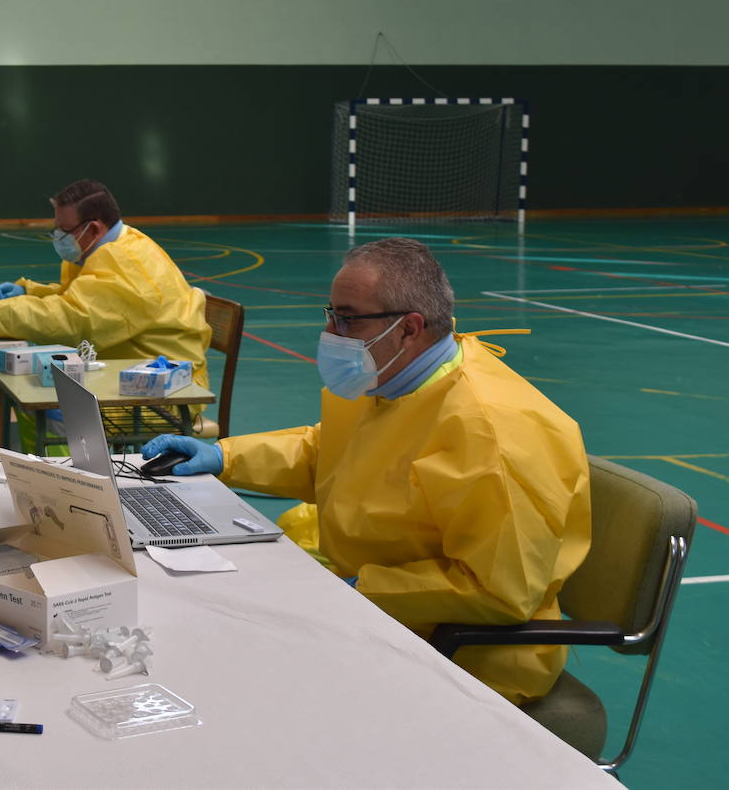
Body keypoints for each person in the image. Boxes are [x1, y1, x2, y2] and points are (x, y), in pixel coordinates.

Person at [142, 238, 592, 706]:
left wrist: (356, 590)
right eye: (331, 313)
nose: (332, 331)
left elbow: (497, 590)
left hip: (464, 656)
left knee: (246, 686)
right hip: (380, 614)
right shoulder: (387, 378)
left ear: (410, 328)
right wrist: (224, 457)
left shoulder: (492, 434)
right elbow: (328, 450)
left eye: (348, 317)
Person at [0, 179, 210, 384]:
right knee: (32, 387)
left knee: (39, 397)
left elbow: (74, 318)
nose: (58, 236)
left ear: (93, 228)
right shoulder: (114, 245)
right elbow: (81, 297)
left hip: (165, 388)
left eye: (65, 230)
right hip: (132, 369)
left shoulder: (126, 263)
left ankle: (63, 458)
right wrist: (28, 292)